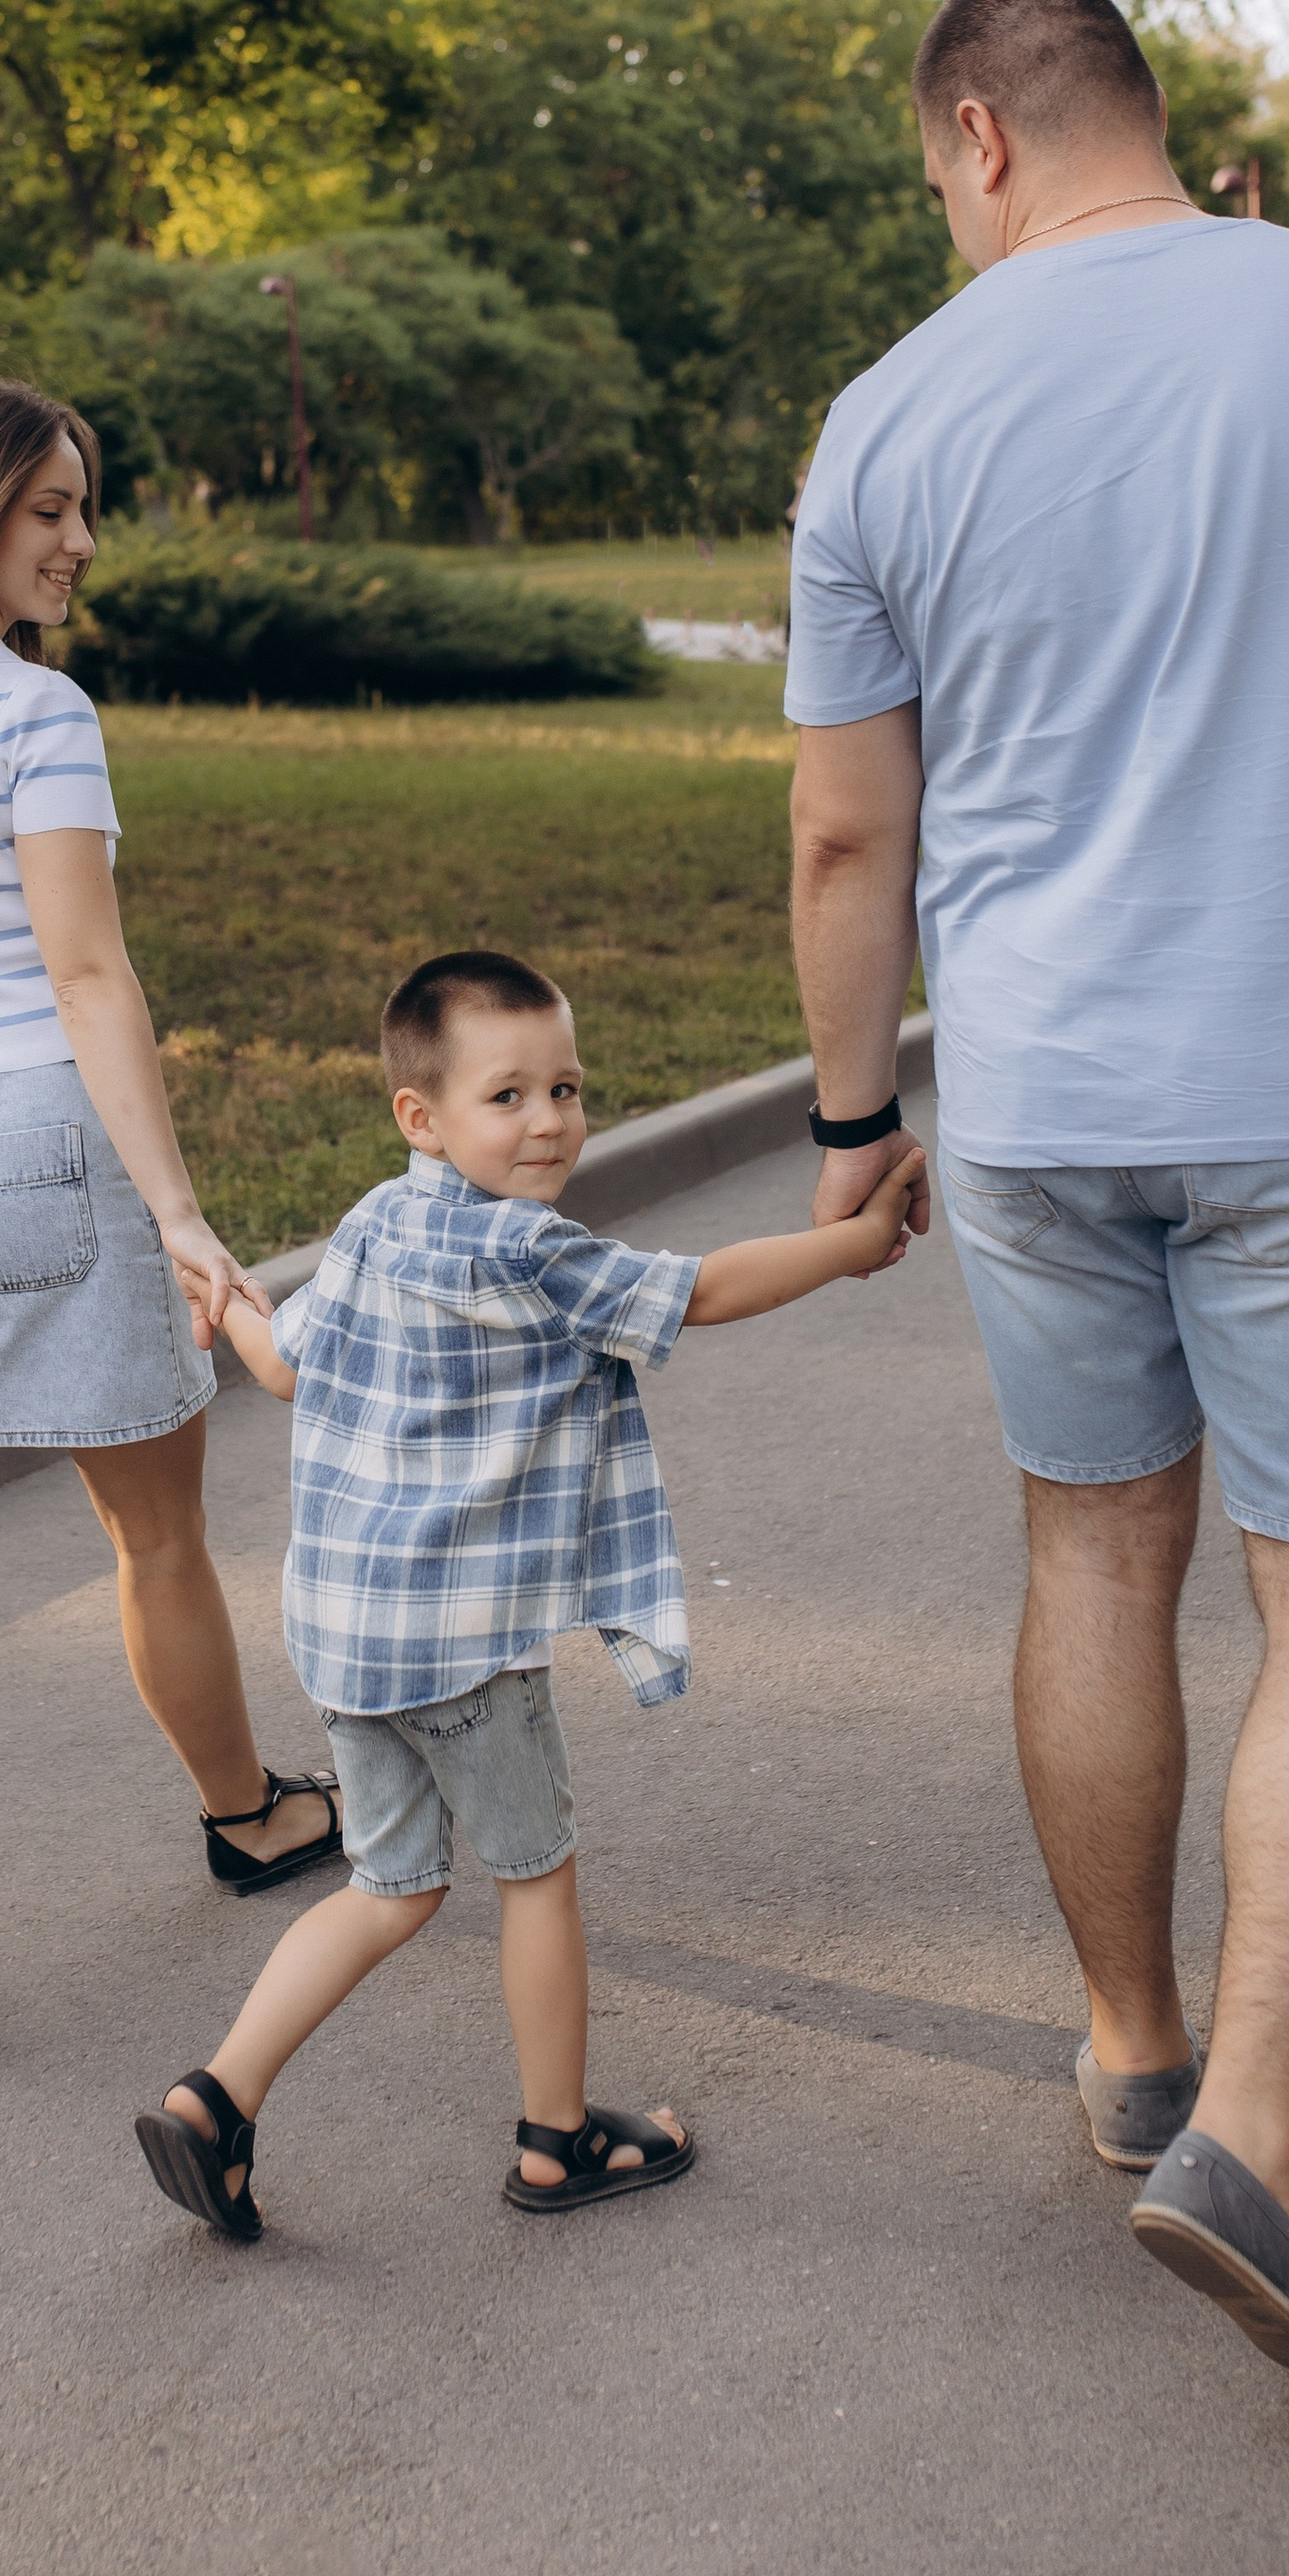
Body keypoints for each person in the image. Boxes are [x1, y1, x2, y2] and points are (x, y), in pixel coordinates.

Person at [787, 0, 1289, 2400]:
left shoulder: (886, 414)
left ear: (979, 139)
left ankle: (1128, 2044)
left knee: (1094, 1547)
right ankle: (1259, 2139)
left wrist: (848, 1118)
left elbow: (838, 830)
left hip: (1036, 1104)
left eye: (932, 186)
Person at [135, 949, 924, 2241]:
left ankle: (215, 2096)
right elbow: (703, 1291)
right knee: (536, 1877)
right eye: (509, 1096)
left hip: (348, 1643)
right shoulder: (531, 1252)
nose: (551, 1119)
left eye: (567, 1086)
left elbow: (286, 1371)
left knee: (391, 1891)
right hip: (462, 1652)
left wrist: (229, 1309)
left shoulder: (378, 1221)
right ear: (422, 1116)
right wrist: (853, 1241)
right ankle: (556, 2142)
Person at [0, 377, 345, 2057]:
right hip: (40, 1131)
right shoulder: (39, 717)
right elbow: (87, 974)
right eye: (47, 510)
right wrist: (178, 1211)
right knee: (154, 1528)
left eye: (81, 508)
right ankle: (248, 1814)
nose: (79, 542)